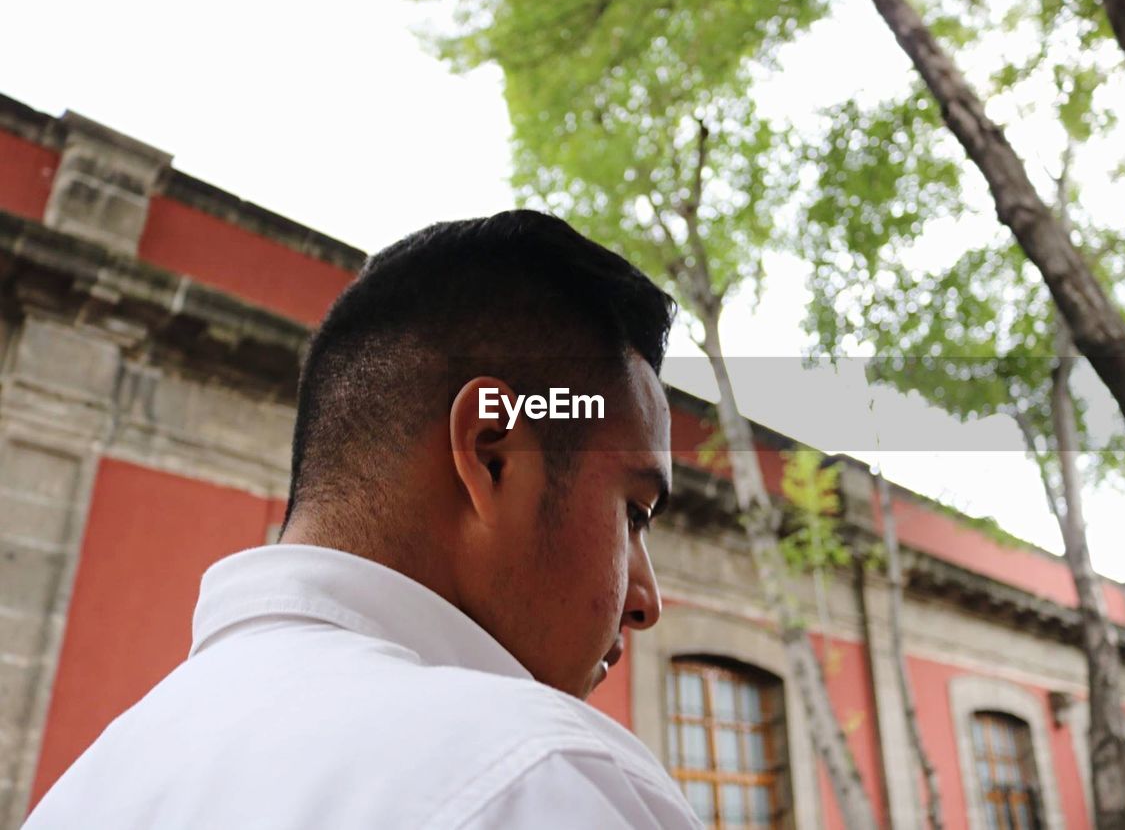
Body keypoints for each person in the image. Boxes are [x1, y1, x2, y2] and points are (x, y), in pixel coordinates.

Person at [24, 211, 702, 829]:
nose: (645, 601)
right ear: (493, 453)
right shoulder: (545, 775)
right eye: (633, 513)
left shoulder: (81, 791)